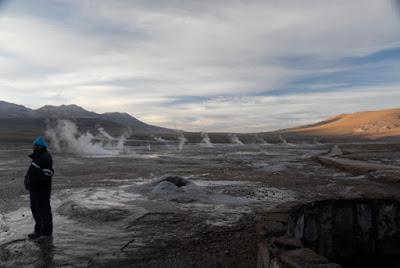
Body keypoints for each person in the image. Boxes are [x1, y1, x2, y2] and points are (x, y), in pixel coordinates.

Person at [24, 136, 54, 240]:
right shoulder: (39, 156)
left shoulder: (45, 157)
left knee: (44, 210)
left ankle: (46, 233)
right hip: (36, 190)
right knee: (36, 209)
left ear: (39, 147)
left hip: (42, 190)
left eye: (35, 146)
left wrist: (33, 182)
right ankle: (38, 231)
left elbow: (48, 173)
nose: (33, 148)